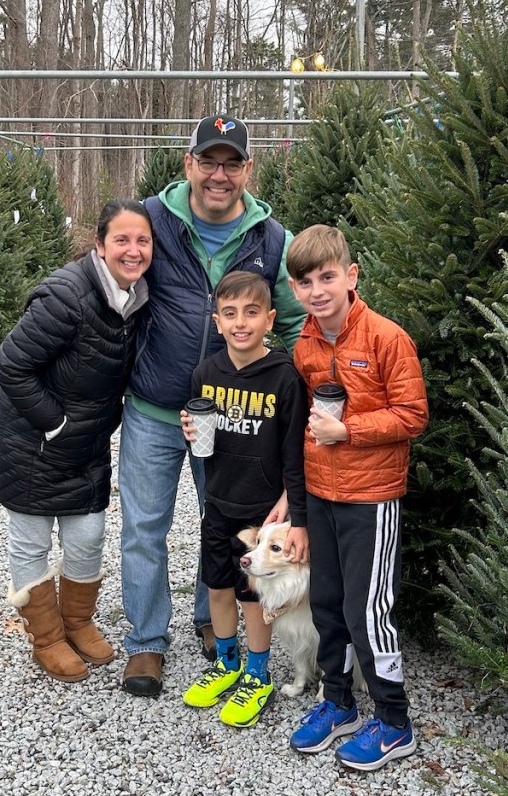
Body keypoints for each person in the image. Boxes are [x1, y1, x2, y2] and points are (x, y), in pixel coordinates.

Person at [119, 113, 307, 697]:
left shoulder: (272, 238)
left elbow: (296, 318)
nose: (219, 175)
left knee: (227, 523)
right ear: (189, 165)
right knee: (144, 528)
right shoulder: (152, 220)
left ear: (247, 169)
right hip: (154, 408)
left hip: (235, 418)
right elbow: (110, 275)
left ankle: (212, 621)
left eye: (232, 163)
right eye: (209, 161)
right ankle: (147, 643)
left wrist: (310, 391)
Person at [0, 199, 153, 683]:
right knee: (32, 539)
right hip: (28, 436)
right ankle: (46, 637)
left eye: (142, 240)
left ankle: (77, 621)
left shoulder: (136, 296)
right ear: (99, 244)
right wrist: (53, 422)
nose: (133, 250)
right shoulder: (66, 295)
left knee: (87, 535)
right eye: (121, 239)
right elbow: (11, 365)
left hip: (86, 439)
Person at [284, 225, 429, 771]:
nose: (318, 290)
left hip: (371, 497)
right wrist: (293, 496)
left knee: (367, 610)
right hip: (321, 494)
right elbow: (301, 423)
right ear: (295, 289)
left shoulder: (387, 338)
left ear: (351, 276)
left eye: (327, 277)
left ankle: (395, 722)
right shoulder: (304, 343)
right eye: (305, 281)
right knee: (327, 604)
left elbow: (413, 415)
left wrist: (349, 432)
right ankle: (338, 702)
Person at [179, 271, 308, 727]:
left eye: (251, 313)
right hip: (218, 500)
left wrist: (292, 498)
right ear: (216, 322)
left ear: (269, 319)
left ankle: (257, 674)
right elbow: (200, 439)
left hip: (262, 510)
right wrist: (190, 430)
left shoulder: (284, 378)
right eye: (229, 314)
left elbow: (295, 448)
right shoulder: (205, 373)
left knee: (253, 594)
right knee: (217, 585)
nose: (240, 323)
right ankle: (226, 663)